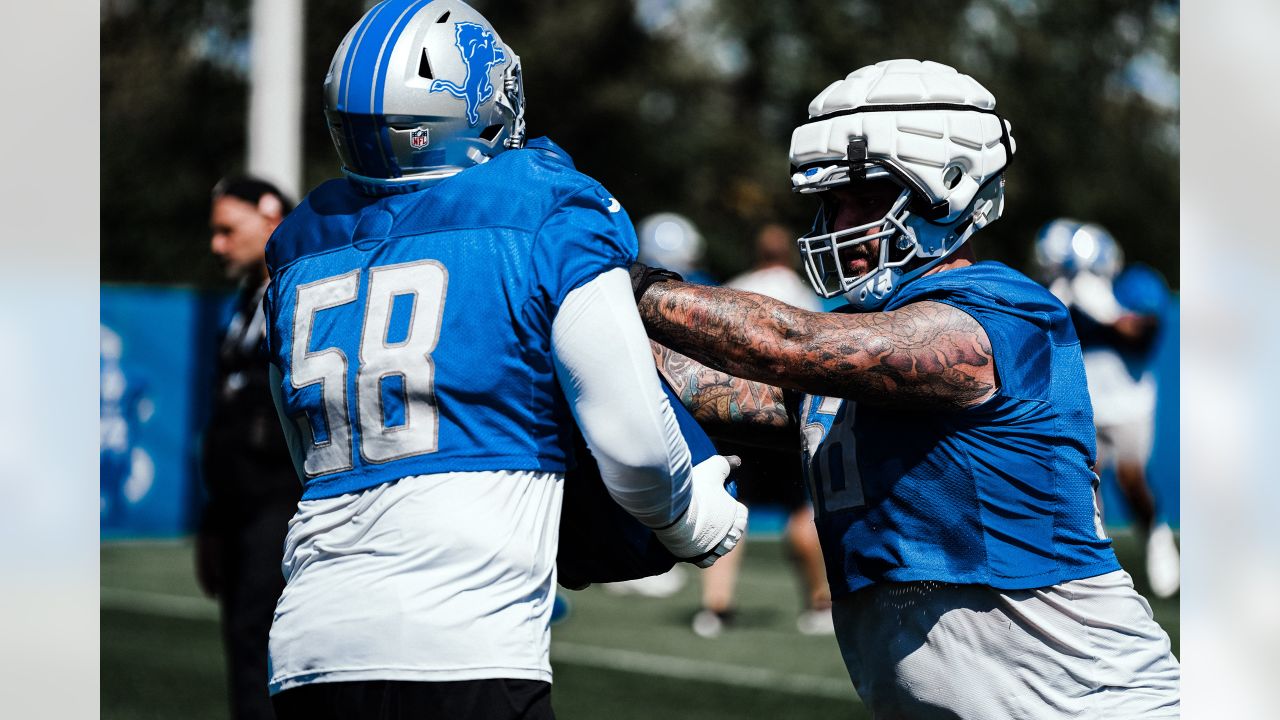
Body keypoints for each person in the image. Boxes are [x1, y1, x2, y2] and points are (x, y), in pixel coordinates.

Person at [630, 59, 1180, 718]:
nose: (841, 225)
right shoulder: (851, 346)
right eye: (833, 203)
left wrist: (616, 283)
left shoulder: (999, 308)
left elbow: (790, 343)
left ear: (944, 189)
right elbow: (693, 383)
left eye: (866, 197)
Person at [261, 2, 746, 719]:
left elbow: (302, 453)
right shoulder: (541, 207)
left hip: (308, 645)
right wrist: (697, 521)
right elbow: (638, 449)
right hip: (462, 645)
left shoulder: (301, 246)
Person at [690, 224, 832, 638]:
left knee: (731, 509)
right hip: (783, 415)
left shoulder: (737, 286)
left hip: (733, 414)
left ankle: (715, 608)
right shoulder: (802, 292)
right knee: (801, 510)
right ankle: (819, 602)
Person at [197, 175, 301, 720]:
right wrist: (214, 521)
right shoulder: (243, 307)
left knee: (270, 653)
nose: (217, 245)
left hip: (281, 506)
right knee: (242, 651)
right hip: (240, 511)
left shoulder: (302, 293)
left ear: (270, 219)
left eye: (227, 230)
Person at [1034, 219, 1180, 598]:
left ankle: (1156, 532)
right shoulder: (1062, 295)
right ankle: (1095, 563)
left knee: (1132, 480)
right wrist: (1062, 303)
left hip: (1130, 406)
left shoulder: (1134, 285)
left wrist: (1103, 308)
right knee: (1084, 483)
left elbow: (1142, 334)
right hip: (1085, 407)